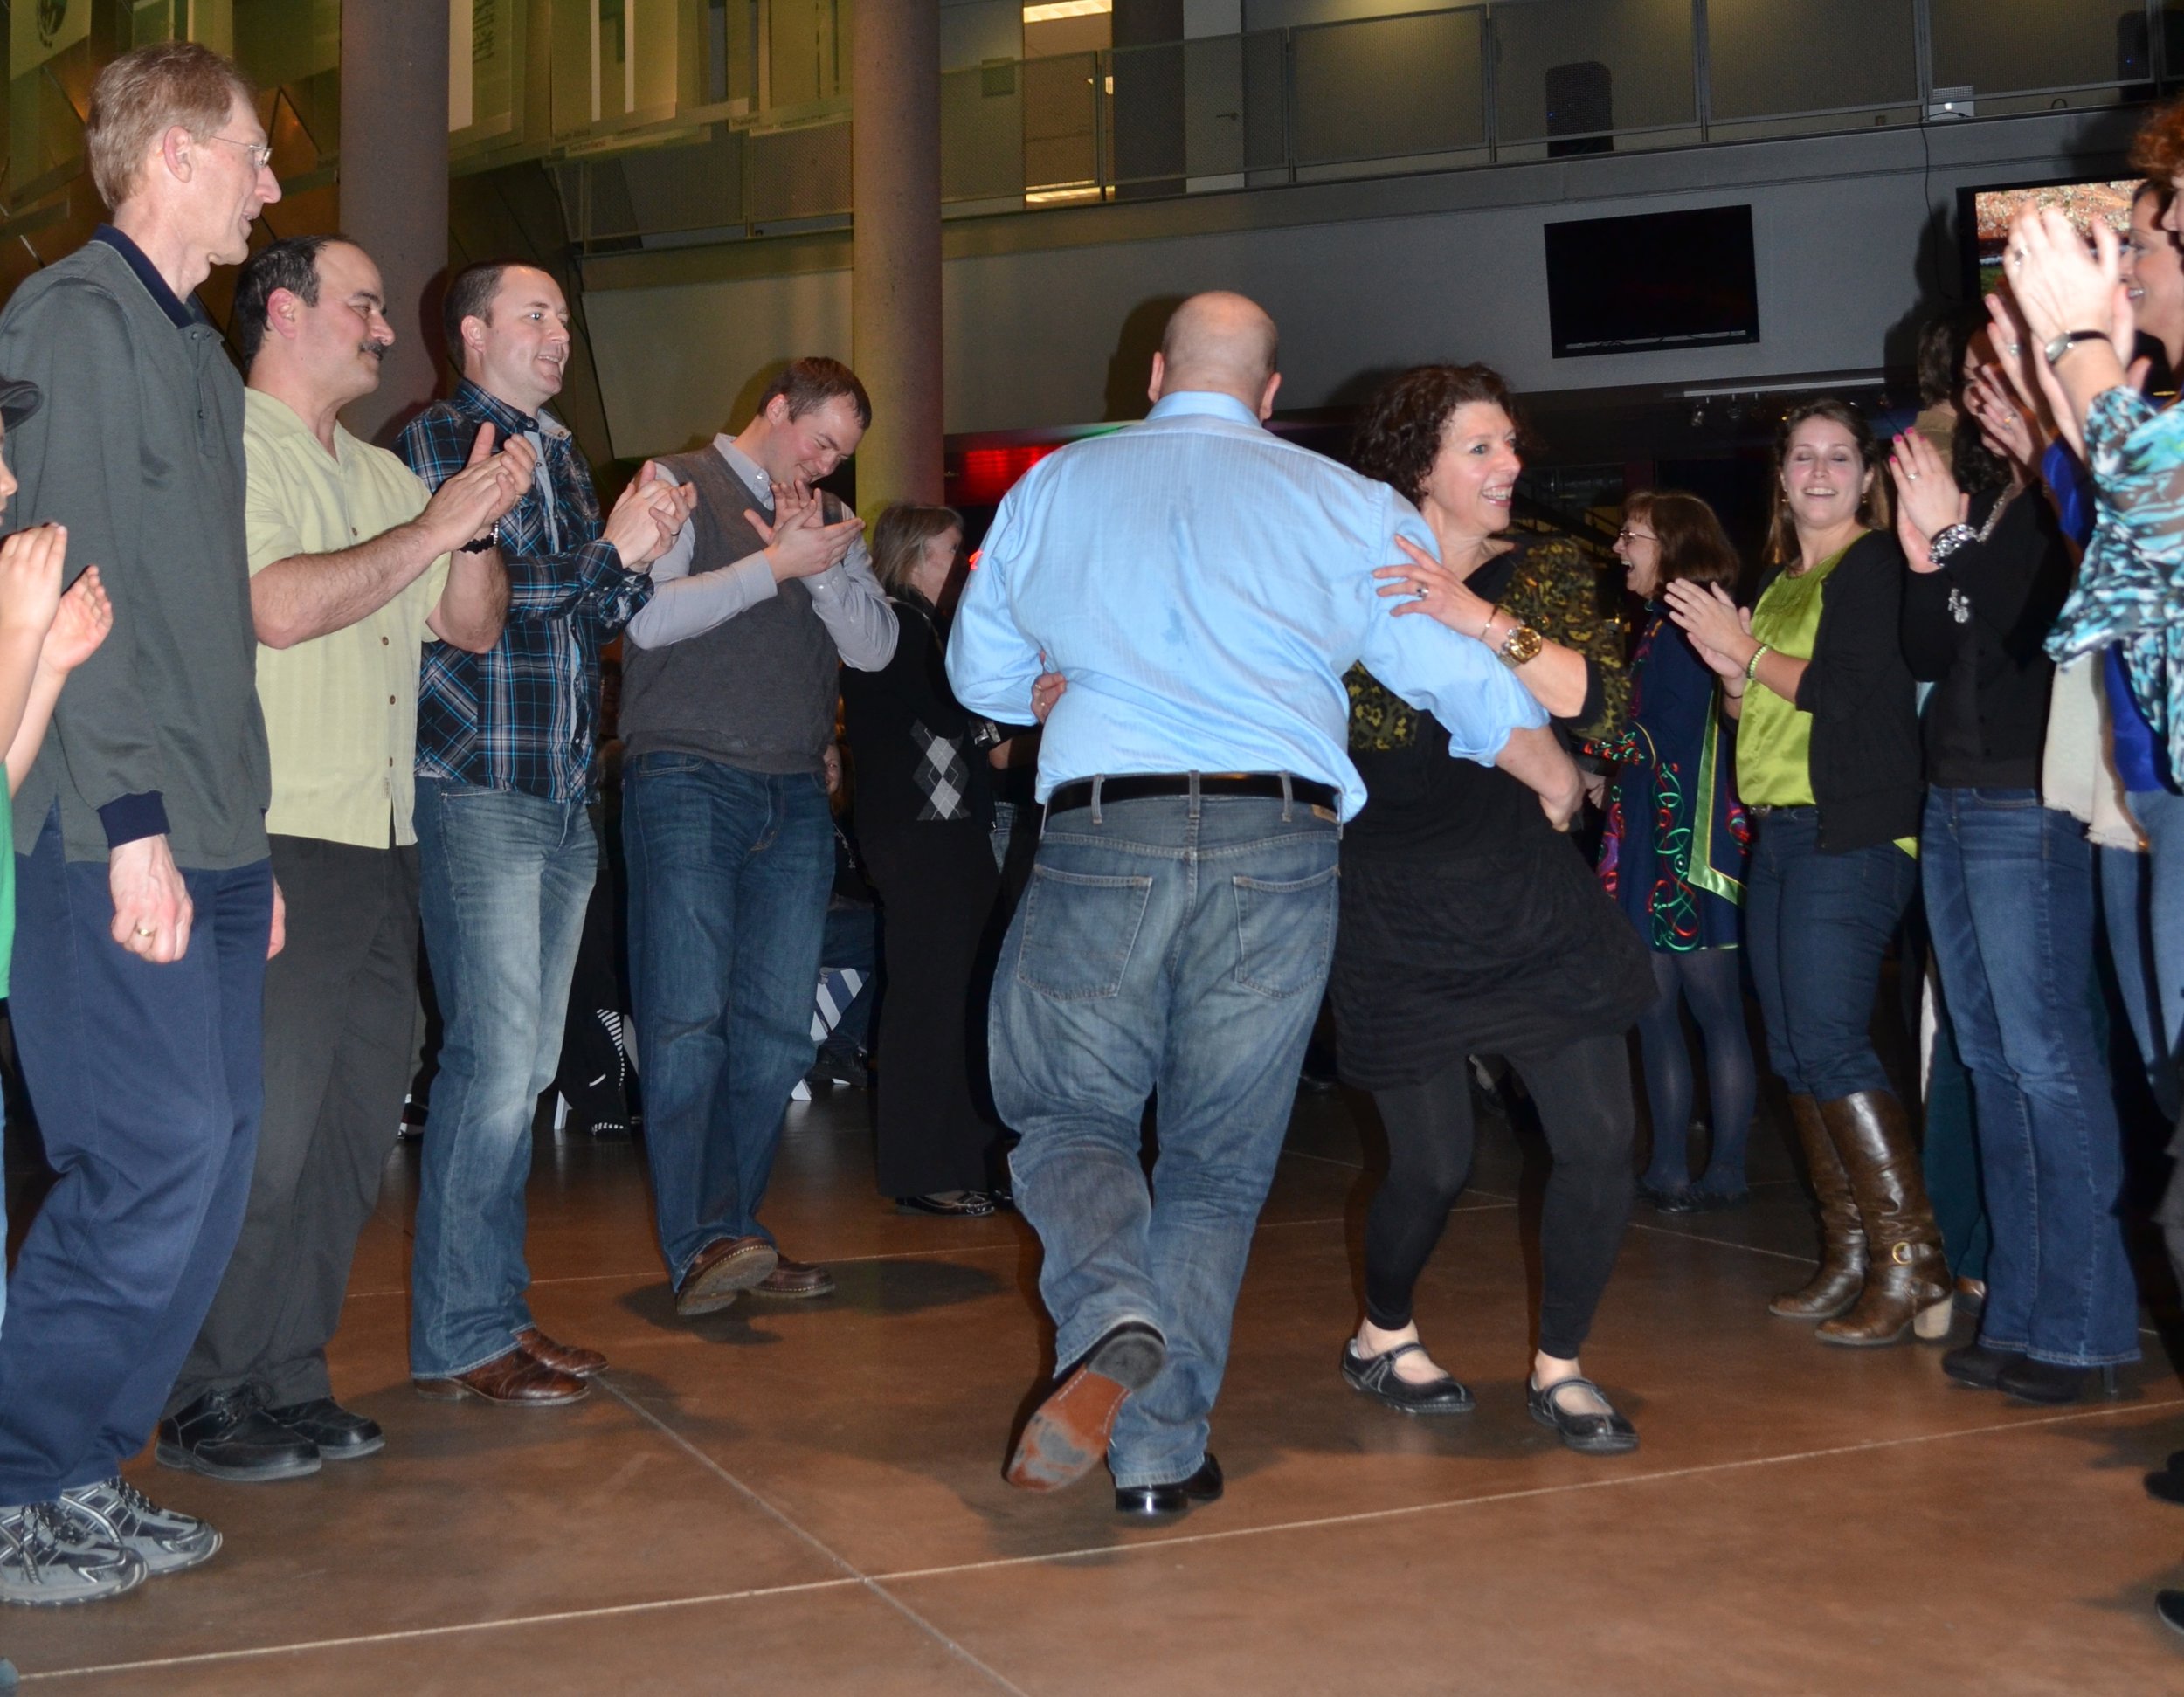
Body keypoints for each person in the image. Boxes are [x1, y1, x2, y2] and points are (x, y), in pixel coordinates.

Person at [947, 293, 1569, 1516]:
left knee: (1069, 1115)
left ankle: (1111, 1305)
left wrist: (1044, 683)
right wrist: (1543, 758)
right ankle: (1159, 1450)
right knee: (1219, 1161)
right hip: (1276, 837)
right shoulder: (1344, 503)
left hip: (1104, 826)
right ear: (1273, 393)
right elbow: (1439, 663)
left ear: (1157, 373)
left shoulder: (1058, 487)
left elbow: (980, 669)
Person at [155, 235, 532, 1481]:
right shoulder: (231, 442)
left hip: (381, 836)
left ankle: (286, 1372)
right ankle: (207, 1390)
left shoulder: (375, 471)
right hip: (274, 830)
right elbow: (276, 604)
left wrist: (469, 529)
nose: (384, 329)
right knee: (268, 1128)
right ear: (283, 309)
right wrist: (430, 531)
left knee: (356, 1118)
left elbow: (468, 632)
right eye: (364, 306)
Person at [0, 40, 280, 1604]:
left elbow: (204, 626)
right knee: (151, 1147)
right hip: (107, 824)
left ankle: (85, 1467)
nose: (270, 182)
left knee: (217, 1158)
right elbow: (66, 590)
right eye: (248, 151)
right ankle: (17, 1472)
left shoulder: (193, 352)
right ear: (171, 154)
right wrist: (133, 824)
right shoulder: (76, 323)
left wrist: (237, 830)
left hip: (211, 830)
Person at [1331, 364, 1655, 1452]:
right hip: (1388, 892)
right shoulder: (1349, 574)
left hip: (1521, 887)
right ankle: (1381, 1330)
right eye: (1478, 448)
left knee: (1603, 1138)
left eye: (1508, 444)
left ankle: (1560, 1362)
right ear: (1414, 463)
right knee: (1431, 1163)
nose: (1507, 464)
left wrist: (1477, 618)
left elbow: (1595, 703)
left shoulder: (1547, 570)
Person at [397, 260, 687, 1406]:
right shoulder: (441, 443)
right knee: (490, 1063)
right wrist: (611, 552)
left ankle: (496, 1313)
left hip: (560, 790)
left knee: (518, 1070)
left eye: (564, 315)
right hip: (477, 783)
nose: (559, 332)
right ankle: (462, 1330)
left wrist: (640, 551)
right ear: (472, 333)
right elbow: (488, 598)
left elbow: (596, 607)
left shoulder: (557, 452)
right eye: (534, 314)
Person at [1889, 338, 2138, 1404]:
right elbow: (1932, 651)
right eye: (1971, 382)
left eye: (1997, 380)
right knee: (1989, 1061)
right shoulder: (1996, 500)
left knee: (2046, 1062)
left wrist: (1948, 527)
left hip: (2026, 801)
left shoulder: (2060, 498)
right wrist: (1921, 550)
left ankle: (2083, 1328)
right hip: (1954, 791)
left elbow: (2038, 626)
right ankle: (2026, 1309)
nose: (1974, 397)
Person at [1665, 399, 1945, 1347]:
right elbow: (1758, 715)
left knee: (1828, 1039)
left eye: (1837, 456)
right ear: (1780, 476)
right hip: (1782, 830)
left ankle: (1912, 1261)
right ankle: (1851, 1250)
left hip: (1852, 830)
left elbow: (1836, 689)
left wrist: (1745, 651)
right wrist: (1734, 673)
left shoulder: (1871, 564)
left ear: (1866, 475)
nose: (1819, 471)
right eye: (1802, 457)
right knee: (1792, 1047)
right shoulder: (1786, 579)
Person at [618, 358, 887, 1316]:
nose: (825, 463)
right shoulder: (674, 480)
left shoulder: (823, 520)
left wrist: (823, 568)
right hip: (685, 770)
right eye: (818, 441)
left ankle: (737, 1228)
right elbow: (648, 619)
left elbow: (875, 648)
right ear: (774, 408)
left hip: (792, 786)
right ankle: (702, 1241)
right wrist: (774, 564)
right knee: (687, 1017)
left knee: (776, 1031)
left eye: (841, 454)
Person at [840, 504, 1009, 1217]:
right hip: (921, 832)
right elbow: (965, 714)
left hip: (944, 830)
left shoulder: (928, 628)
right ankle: (923, 1165)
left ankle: (958, 1156)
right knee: (932, 996)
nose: (962, 564)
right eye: (950, 550)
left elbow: (979, 736)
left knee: (955, 994)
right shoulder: (899, 627)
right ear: (911, 557)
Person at [1594, 490, 1754, 1211]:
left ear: (1673, 545)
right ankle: (1682, 1165)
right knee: (1668, 1010)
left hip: (1683, 845)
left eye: (1633, 536)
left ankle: (1708, 1166)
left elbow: (1667, 736)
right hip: (1663, 839)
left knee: (1700, 1011)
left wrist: (1577, 724)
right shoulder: (1665, 624)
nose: (1620, 548)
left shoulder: (1686, 622)